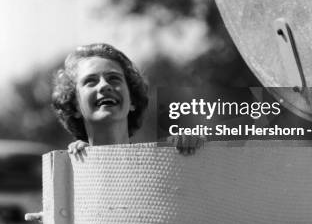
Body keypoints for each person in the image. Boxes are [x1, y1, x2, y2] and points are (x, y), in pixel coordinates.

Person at [52, 42, 203, 156]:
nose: (104, 86)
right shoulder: (68, 169)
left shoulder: (163, 158)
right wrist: (81, 164)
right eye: (90, 81)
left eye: (114, 78)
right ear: (75, 106)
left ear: (132, 101)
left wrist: (196, 150)